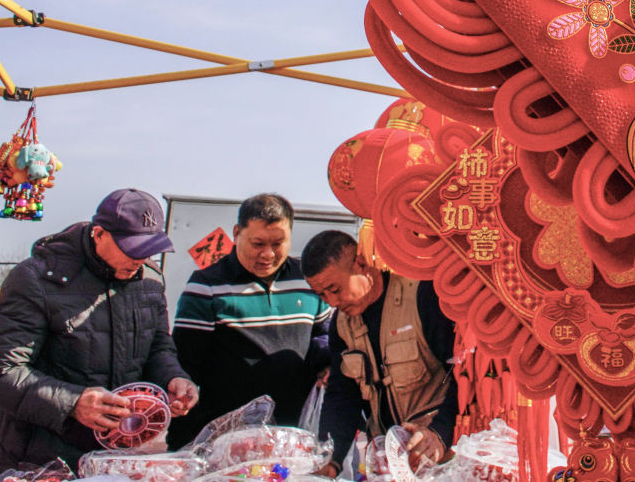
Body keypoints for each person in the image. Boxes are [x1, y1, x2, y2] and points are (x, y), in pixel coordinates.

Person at [0, 188, 198, 477]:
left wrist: (173, 378)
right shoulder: (37, 279)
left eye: (149, 249)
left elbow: (158, 346)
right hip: (39, 460)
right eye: (131, 248)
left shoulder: (149, 280)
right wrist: (73, 403)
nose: (139, 259)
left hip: (119, 458)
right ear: (99, 234)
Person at [169, 194, 332, 447]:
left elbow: (323, 337)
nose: (268, 254)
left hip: (292, 437)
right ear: (237, 233)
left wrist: (327, 365)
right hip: (225, 441)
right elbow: (185, 364)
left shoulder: (308, 281)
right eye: (258, 244)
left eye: (278, 243)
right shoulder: (206, 285)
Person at [301, 230, 458, 479]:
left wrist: (440, 432)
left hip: (441, 456)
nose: (331, 302)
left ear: (361, 264)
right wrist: (332, 458)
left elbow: (462, 375)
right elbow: (343, 394)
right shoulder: (341, 326)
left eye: (335, 289)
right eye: (322, 294)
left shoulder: (421, 296)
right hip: (387, 462)